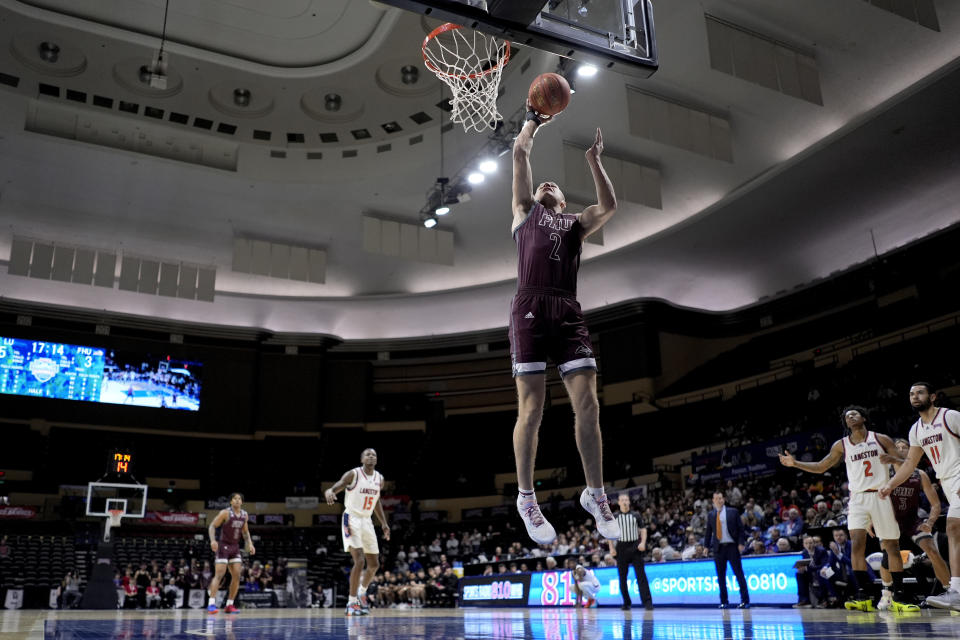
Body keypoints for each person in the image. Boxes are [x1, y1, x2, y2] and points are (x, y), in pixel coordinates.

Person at [509, 102, 620, 545]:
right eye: (543, 184)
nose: (547, 183)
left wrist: (594, 162)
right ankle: (526, 498)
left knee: (588, 404)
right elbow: (520, 155)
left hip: (568, 310)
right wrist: (533, 121)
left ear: (563, 200)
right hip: (530, 308)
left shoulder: (575, 223)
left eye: (554, 185)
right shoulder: (524, 212)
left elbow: (609, 205)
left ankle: (596, 495)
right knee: (532, 409)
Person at [780, 406, 917, 612]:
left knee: (891, 545)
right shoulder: (841, 445)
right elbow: (821, 466)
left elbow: (906, 466)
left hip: (881, 494)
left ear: (863, 417)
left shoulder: (882, 439)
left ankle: (899, 596)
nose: (851, 417)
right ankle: (863, 593)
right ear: (845, 423)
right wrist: (795, 463)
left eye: (854, 414)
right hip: (857, 498)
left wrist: (894, 460)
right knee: (857, 544)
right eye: (847, 416)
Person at [880, 382, 960, 610]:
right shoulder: (915, 430)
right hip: (947, 481)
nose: (915, 397)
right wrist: (890, 485)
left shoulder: (950, 416)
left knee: (954, 527)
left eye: (920, 393)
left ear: (933, 396)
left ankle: (955, 590)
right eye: (911, 394)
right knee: (956, 530)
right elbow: (909, 465)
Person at [879, 437, 951, 595]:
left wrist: (930, 522)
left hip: (912, 520)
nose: (901, 449)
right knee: (887, 557)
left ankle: (951, 592)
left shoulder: (920, 474)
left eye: (905, 447)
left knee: (932, 550)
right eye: (897, 447)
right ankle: (887, 593)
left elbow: (936, 504)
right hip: (889, 521)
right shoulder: (884, 472)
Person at [325, 448, 390, 616]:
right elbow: (335, 487)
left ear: (377, 459)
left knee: (374, 564)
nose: (371, 456)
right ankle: (351, 603)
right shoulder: (353, 474)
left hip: (367, 521)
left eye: (374, 454)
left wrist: (383, 523)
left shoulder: (379, 479)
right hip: (351, 518)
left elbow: (376, 501)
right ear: (362, 458)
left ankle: (361, 592)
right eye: (367, 454)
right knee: (359, 561)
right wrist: (329, 491)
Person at [207, 492, 255, 614]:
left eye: (239, 499)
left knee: (237, 576)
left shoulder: (245, 515)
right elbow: (212, 526)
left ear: (242, 502)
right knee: (219, 575)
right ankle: (211, 603)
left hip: (235, 547)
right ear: (231, 501)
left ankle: (229, 605)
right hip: (223, 546)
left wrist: (250, 543)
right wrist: (213, 541)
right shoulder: (225, 513)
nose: (237, 500)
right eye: (235, 498)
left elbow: (245, 532)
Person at [703, 491, 750, 609]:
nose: (719, 500)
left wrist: (741, 543)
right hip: (719, 549)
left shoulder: (733, 512)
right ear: (713, 501)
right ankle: (724, 601)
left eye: (720, 498)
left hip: (732, 547)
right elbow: (708, 532)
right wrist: (706, 546)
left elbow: (741, 529)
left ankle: (745, 601)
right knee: (720, 576)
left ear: (723, 500)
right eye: (716, 498)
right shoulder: (711, 515)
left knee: (739, 574)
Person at [607, 493, 653, 610]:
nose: (625, 502)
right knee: (622, 577)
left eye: (626, 499)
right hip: (621, 548)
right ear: (618, 502)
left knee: (641, 576)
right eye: (622, 500)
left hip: (634, 547)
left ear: (629, 502)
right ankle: (626, 602)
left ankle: (647, 602)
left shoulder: (636, 515)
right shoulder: (615, 516)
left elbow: (643, 530)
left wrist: (642, 543)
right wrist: (611, 548)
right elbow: (610, 533)